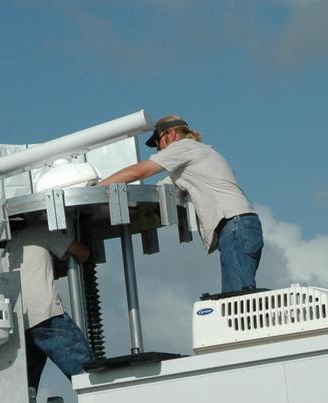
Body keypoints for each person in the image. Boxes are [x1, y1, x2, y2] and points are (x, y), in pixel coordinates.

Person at [98, 114, 262, 293]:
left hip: (235, 225)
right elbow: (161, 189)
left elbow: (139, 171)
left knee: (238, 298)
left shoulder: (183, 148)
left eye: (158, 142)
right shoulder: (195, 156)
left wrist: (98, 188)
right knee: (237, 296)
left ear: (171, 134)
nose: (159, 150)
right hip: (240, 225)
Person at [3, 221, 94, 387]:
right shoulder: (41, 230)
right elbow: (81, 252)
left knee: (26, 390)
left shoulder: (7, 250)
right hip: (47, 316)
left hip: (20, 325)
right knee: (87, 375)